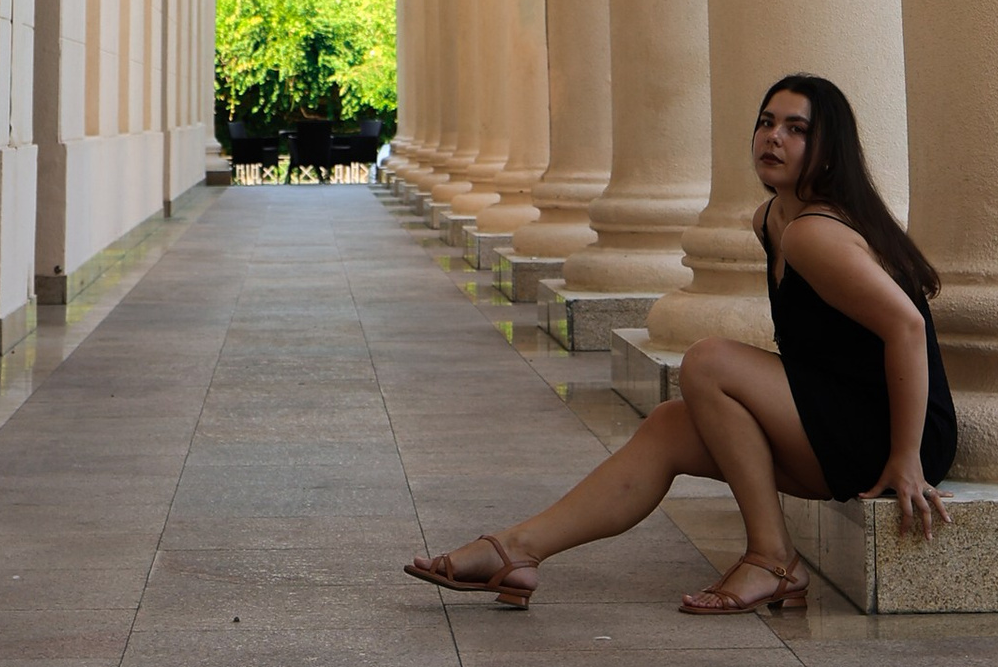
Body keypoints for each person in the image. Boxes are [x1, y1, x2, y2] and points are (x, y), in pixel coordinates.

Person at [405, 74, 957, 615]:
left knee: (709, 361)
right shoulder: (772, 219)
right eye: (766, 123)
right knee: (670, 425)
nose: (773, 137)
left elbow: (907, 328)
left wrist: (906, 459)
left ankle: (772, 558)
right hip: (835, 416)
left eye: (797, 129)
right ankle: (518, 549)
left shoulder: (815, 231)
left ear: (830, 150)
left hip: (889, 434)